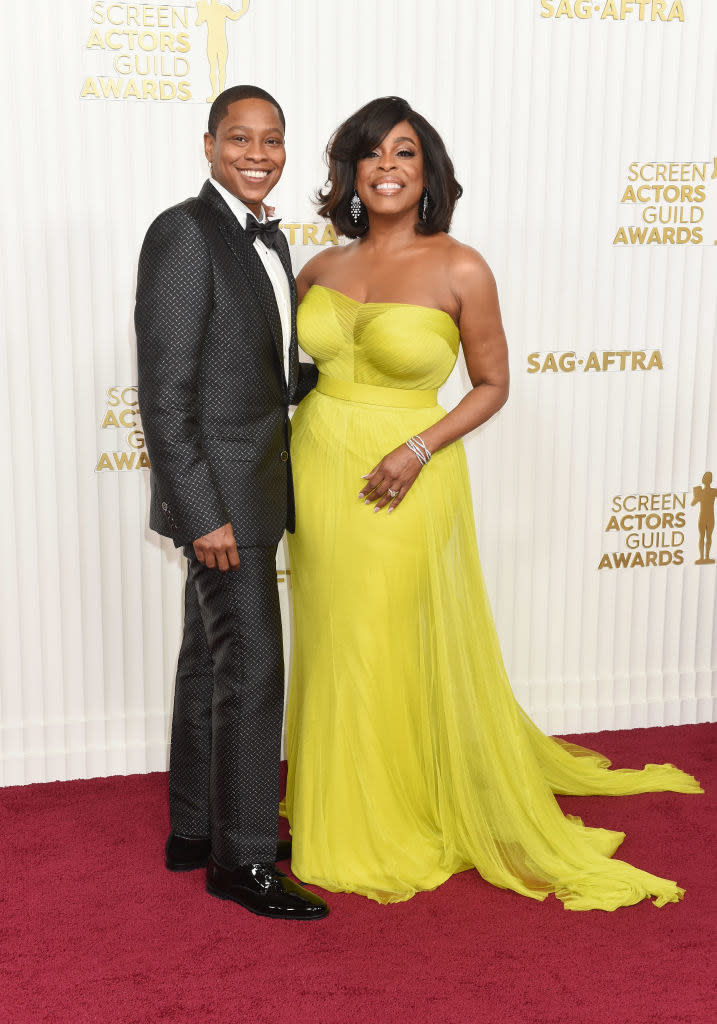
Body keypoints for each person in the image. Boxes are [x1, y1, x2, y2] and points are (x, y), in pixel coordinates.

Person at [282, 96, 702, 910]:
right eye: (369, 154)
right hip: (317, 470)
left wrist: (417, 447)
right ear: (349, 173)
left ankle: (395, 813)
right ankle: (339, 798)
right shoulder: (317, 269)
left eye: (403, 153)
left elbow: (492, 384)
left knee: (382, 641)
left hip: (406, 473)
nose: (386, 168)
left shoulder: (459, 266)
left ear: (427, 169)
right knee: (333, 639)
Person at [135, 85, 327, 920]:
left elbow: (263, 372)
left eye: (272, 138)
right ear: (208, 143)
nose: (258, 152)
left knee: (208, 661)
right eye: (240, 138)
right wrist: (201, 510)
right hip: (223, 500)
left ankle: (195, 830)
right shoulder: (184, 231)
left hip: (251, 485)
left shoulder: (264, 236)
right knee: (252, 670)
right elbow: (165, 395)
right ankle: (241, 860)